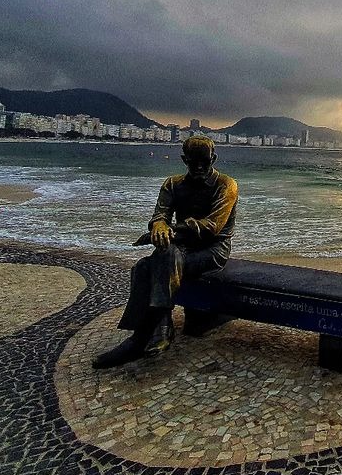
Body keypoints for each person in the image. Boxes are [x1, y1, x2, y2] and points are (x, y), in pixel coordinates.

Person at [92, 136, 238, 369]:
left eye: (205, 162)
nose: (199, 167)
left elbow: (211, 227)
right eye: (193, 162)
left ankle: (144, 337)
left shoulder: (226, 184)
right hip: (180, 247)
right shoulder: (173, 184)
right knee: (144, 266)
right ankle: (154, 328)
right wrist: (158, 226)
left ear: (214, 159)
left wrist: (167, 230)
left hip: (213, 250)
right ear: (184, 160)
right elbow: (160, 215)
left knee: (159, 259)